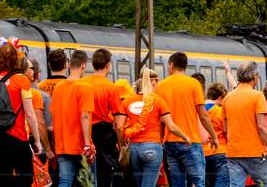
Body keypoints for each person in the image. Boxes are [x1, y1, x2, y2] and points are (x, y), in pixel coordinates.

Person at [0, 42, 44, 187]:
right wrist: (37, 142)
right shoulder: (21, 80)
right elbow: (29, 113)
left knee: (4, 177)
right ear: (16, 58)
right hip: (17, 136)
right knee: (26, 176)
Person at [156, 52, 219, 187]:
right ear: (185, 66)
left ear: (171, 65)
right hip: (191, 142)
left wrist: (161, 139)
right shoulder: (194, 84)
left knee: (178, 183)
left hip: (170, 142)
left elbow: (159, 118)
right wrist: (214, 136)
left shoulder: (160, 86)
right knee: (198, 182)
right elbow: (203, 115)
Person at [123, 67, 190, 187]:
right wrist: (185, 137)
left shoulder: (127, 101)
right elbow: (172, 126)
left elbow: (118, 126)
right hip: (152, 147)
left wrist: (123, 142)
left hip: (133, 149)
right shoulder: (158, 101)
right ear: (153, 82)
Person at [221, 62, 267, 187]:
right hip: (256, 154)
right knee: (264, 184)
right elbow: (262, 127)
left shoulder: (227, 99)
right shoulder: (257, 96)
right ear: (255, 76)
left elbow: (225, 129)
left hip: (234, 153)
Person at [82, 48, 127, 187]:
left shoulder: (83, 84)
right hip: (104, 134)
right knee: (105, 175)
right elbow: (119, 123)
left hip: (85, 132)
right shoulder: (110, 87)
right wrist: (121, 146)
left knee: (87, 175)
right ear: (108, 65)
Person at [51, 49, 93, 187]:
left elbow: (54, 113)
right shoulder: (85, 87)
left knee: (65, 181)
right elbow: (85, 116)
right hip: (80, 144)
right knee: (87, 183)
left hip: (62, 143)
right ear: (83, 65)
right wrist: (87, 144)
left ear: (69, 65)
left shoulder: (58, 88)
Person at [206, 83, 231, 187]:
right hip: (220, 151)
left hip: (202, 153)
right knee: (222, 183)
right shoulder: (219, 111)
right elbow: (226, 131)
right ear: (221, 97)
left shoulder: (198, 110)